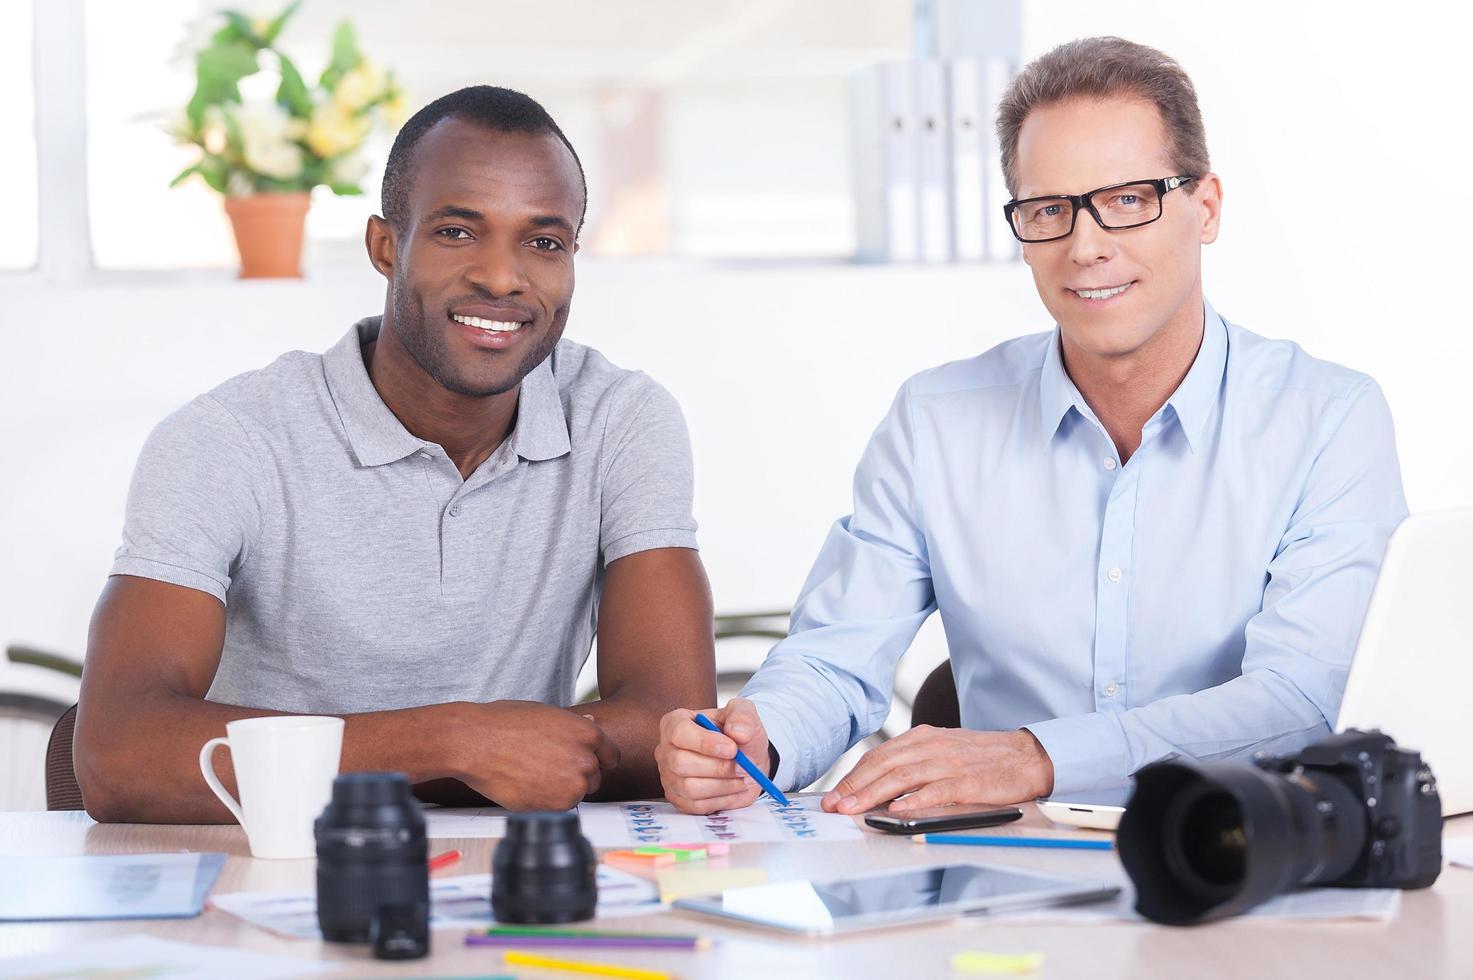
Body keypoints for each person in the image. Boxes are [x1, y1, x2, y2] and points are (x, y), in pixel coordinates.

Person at [655, 37, 1406, 816]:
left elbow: (1304, 697)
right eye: (1049, 209)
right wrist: (757, 738)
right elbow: (834, 656)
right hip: (1002, 881)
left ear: (1205, 207)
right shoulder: (936, 422)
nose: (1084, 247)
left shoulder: (1326, 420)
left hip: (1232, 863)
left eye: (1126, 200)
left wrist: (1039, 756)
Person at [76, 86, 716, 822]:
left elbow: (677, 729)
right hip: (274, 871)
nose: (502, 277)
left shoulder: (619, 419)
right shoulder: (231, 437)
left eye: (543, 242)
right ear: (386, 246)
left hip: (497, 878)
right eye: (456, 232)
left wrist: (457, 753)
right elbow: (117, 758)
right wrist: (449, 742)